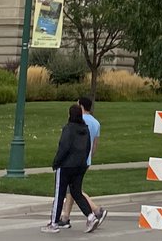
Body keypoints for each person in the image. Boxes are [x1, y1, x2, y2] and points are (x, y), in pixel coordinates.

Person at [43, 104, 104, 234]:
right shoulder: (85, 129)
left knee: (59, 194)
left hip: (66, 166)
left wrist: (56, 162)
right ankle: (91, 216)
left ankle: (54, 223)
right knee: (76, 192)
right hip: (80, 165)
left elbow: (63, 147)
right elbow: (88, 147)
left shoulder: (68, 129)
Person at [58, 97, 107, 230]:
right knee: (72, 189)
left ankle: (96, 210)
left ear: (81, 106)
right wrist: (90, 157)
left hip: (74, 160)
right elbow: (95, 144)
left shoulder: (79, 121)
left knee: (74, 189)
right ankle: (65, 218)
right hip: (86, 159)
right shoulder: (96, 123)